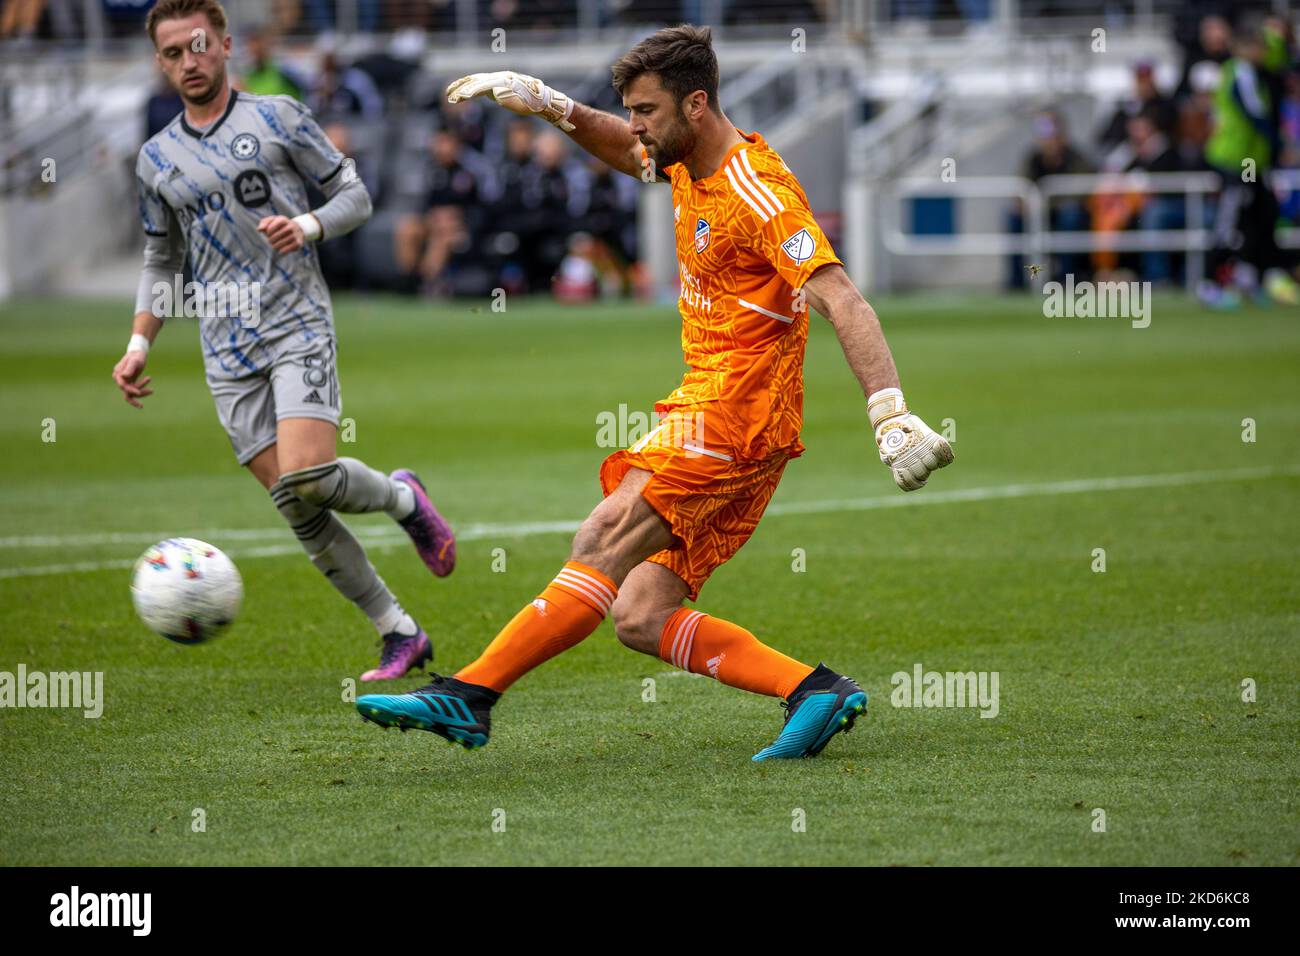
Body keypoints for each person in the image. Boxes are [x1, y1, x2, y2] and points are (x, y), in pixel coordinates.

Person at [355, 25, 954, 761]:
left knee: (602, 536)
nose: (636, 126)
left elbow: (841, 296)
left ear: (696, 104)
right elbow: (627, 152)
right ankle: (815, 691)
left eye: (646, 110)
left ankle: (469, 695)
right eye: (631, 110)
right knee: (639, 613)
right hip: (731, 417)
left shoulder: (756, 191)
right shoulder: (684, 159)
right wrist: (553, 107)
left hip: (734, 412)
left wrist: (888, 412)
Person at [112, 0, 456, 681]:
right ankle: (399, 630)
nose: (189, 61)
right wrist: (139, 343)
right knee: (296, 504)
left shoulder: (278, 116)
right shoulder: (156, 159)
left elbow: (354, 195)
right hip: (224, 348)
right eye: (173, 52)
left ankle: (404, 500)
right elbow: (161, 260)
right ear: (160, 62)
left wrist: (308, 227)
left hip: (294, 319)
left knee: (308, 474)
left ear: (226, 44)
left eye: (198, 45)